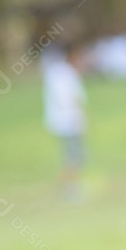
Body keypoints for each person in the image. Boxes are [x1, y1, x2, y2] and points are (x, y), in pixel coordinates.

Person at [42, 42, 88, 201]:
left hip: (63, 121)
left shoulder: (57, 74)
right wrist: (77, 119)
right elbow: (69, 99)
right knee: (73, 156)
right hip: (69, 122)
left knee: (73, 156)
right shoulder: (65, 75)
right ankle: (70, 188)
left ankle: (68, 186)